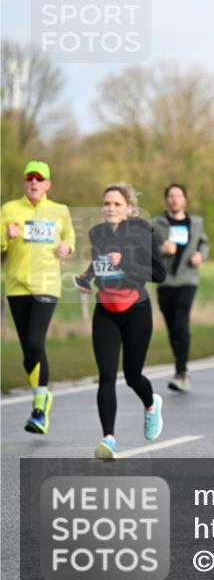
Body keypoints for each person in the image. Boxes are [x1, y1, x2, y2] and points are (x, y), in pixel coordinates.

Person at [76, 183, 166, 459]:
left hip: (136, 309)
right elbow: (100, 263)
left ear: (128, 207)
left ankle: (151, 406)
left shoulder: (142, 231)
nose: (110, 208)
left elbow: (159, 273)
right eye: (107, 204)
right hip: (105, 309)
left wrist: (125, 260)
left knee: (132, 375)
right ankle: (109, 440)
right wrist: (86, 278)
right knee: (106, 376)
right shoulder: (97, 233)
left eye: (116, 204)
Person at [2, 161, 75, 434]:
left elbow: (70, 241)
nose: (34, 183)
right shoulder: (10, 209)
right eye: (30, 178)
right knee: (28, 351)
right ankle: (41, 398)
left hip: (46, 285)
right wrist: (5, 236)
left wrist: (66, 248)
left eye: (39, 179)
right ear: (24, 182)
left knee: (35, 340)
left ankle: (40, 405)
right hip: (17, 286)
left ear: (47, 184)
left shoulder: (60, 211)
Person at [151, 184, 209, 394]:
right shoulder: (156, 224)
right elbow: (145, 251)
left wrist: (200, 255)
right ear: (166, 200)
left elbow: (204, 243)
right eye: (171, 196)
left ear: (185, 200)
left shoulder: (196, 222)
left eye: (179, 196)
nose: (175, 200)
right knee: (172, 328)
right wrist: (161, 249)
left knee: (181, 323)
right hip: (165, 281)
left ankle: (181, 372)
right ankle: (181, 366)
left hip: (187, 279)